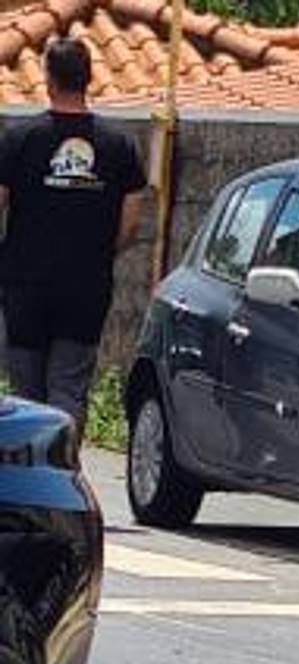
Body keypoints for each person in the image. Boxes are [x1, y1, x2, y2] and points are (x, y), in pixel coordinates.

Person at [0, 37, 147, 442]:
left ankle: (29, 467)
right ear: (89, 79)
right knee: (69, 387)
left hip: (24, 285)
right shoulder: (119, 146)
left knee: (26, 393)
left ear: (48, 80)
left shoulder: (19, 139)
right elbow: (131, 224)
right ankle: (64, 465)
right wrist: (98, 253)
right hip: (86, 285)